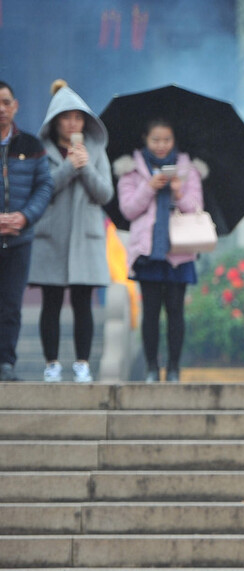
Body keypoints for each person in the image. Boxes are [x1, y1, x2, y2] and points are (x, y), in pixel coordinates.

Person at [28, 80, 113, 383]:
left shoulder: (96, 151)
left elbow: (105, 195)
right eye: (66, 117)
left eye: (78, 118)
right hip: (51, 237)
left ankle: (82, 364)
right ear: (55, 121)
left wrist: (85, 166)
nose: (72, 123)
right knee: (51, 302)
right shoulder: (41, 151)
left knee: (82, 302)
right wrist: (67, 167)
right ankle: (51, 363)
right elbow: (39, 190)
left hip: (86, 238)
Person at [114, 119, 206, 382]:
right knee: (151, 312)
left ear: (174, 140)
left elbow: (195, 207)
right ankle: (152, 367)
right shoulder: (130, 170)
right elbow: (128, 209)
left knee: (176, 311)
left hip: (180, 250)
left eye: (167, 139)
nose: (161, 145)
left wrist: (178, 192)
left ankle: (174, 368)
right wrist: (149, 187)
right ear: (145, 139)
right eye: (156, 139)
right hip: (147, 251)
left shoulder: (188, 169)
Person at [0, 81, 53, 383]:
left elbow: (45, 185)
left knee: (10, 304)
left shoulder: (31, 146)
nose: (1, 109)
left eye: (6, 102)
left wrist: (24, 217)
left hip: (20, 239)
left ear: (15, 105)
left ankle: (6, 362)